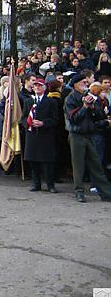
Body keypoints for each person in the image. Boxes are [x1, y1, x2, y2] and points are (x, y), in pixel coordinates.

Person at [64, 73, 111, 202]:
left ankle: (106, 192)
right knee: (78, 166)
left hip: (89, 134)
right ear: (75, 85)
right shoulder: (70, 99)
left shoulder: (89, 96)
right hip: (76, 135)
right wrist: (85, 107)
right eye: (83, 83)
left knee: (96, 164)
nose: (86, 85)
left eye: (86, 82)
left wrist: (92, 108)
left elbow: (99, 115)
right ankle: (79, 192)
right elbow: (73, 118)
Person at [23, 78, 59, 192]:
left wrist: (43, 123)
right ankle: (36, 183)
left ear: (44, 88)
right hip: (32, 134)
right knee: (33, 161)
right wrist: (28, 123)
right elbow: (23, 117)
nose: (37, 88)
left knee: (47, 161)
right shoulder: (28, 101)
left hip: (45, 135)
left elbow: (55, 119)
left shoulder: (51, 101)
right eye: (35, 86)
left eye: (39, 86)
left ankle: (50, 184)